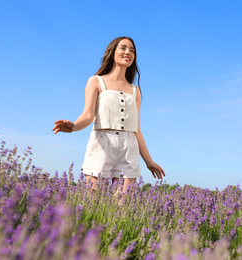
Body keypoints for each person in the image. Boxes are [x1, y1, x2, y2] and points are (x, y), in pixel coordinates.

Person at [52, 36, 165, 194]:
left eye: (132, 50)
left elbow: (136, 129)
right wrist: (74, 126)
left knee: (122, 207)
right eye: (123, 48)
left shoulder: (135, 91)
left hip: (128, 148)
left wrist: (149, 161)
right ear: (112, 53)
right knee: (94, 202)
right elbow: (88, 115)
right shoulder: (96, 81)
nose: (128, 52)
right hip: (102, 145)